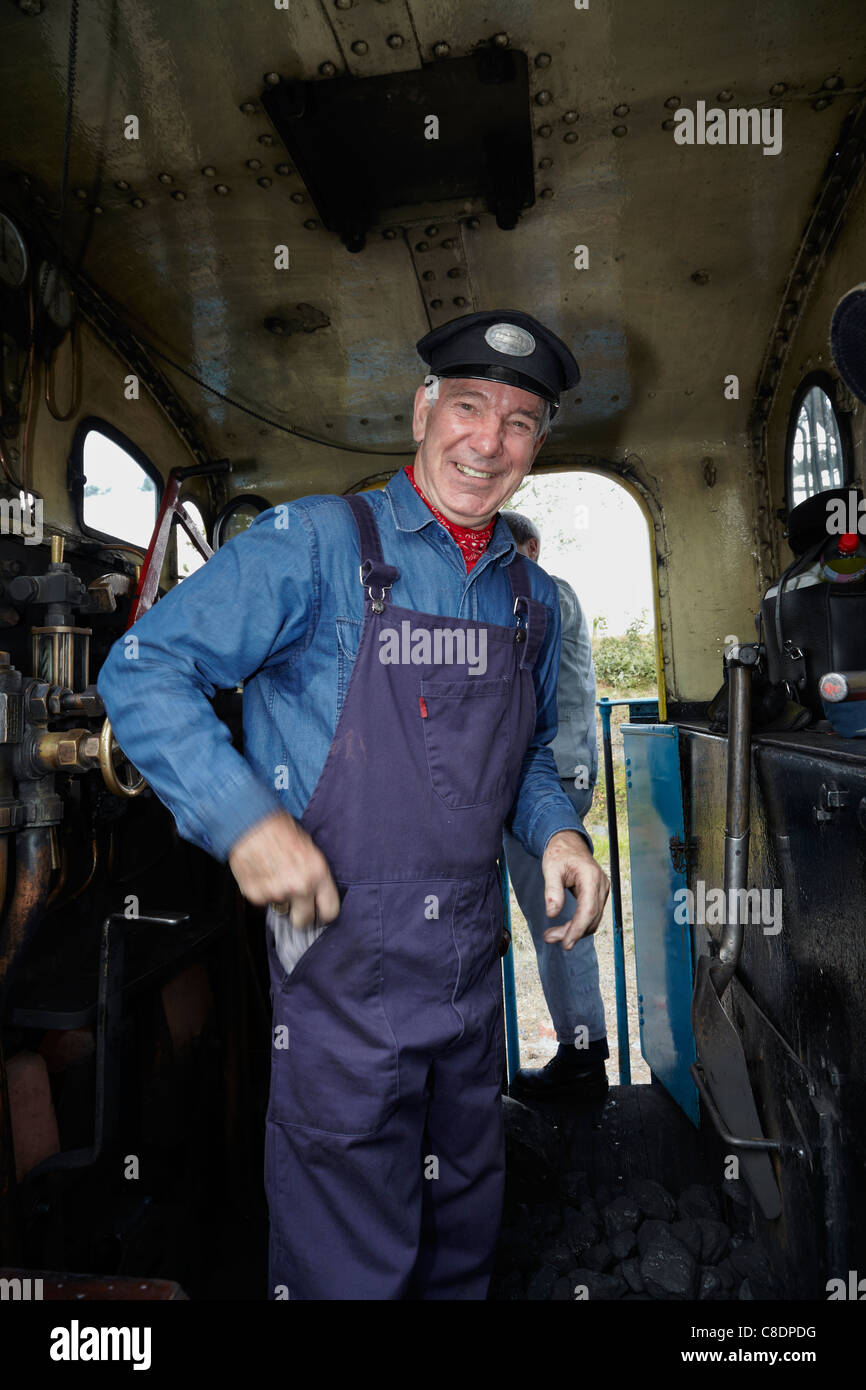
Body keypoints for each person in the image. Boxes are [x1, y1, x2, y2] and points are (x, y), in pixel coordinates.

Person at [97, 309, 610, 1301]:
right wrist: (243, 817)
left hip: (470, 974)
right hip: (338, 969)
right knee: (348, 1262)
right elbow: (144, 664)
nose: (486, 440)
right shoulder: (318, 543)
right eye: (466, 406)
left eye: (516, 421)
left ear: (535, 443)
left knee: (462, 1221)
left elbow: (533, 760)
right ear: (422, 410)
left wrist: (557, 833)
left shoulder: (531, 599)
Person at [501, 512, 609, 1100]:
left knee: (557, 919)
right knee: (552, 915)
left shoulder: (544, 593)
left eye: (506, 549)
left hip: (549, 775)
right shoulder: (546, 593)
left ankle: (584, 1059)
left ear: (531, 548)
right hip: (558, 768)